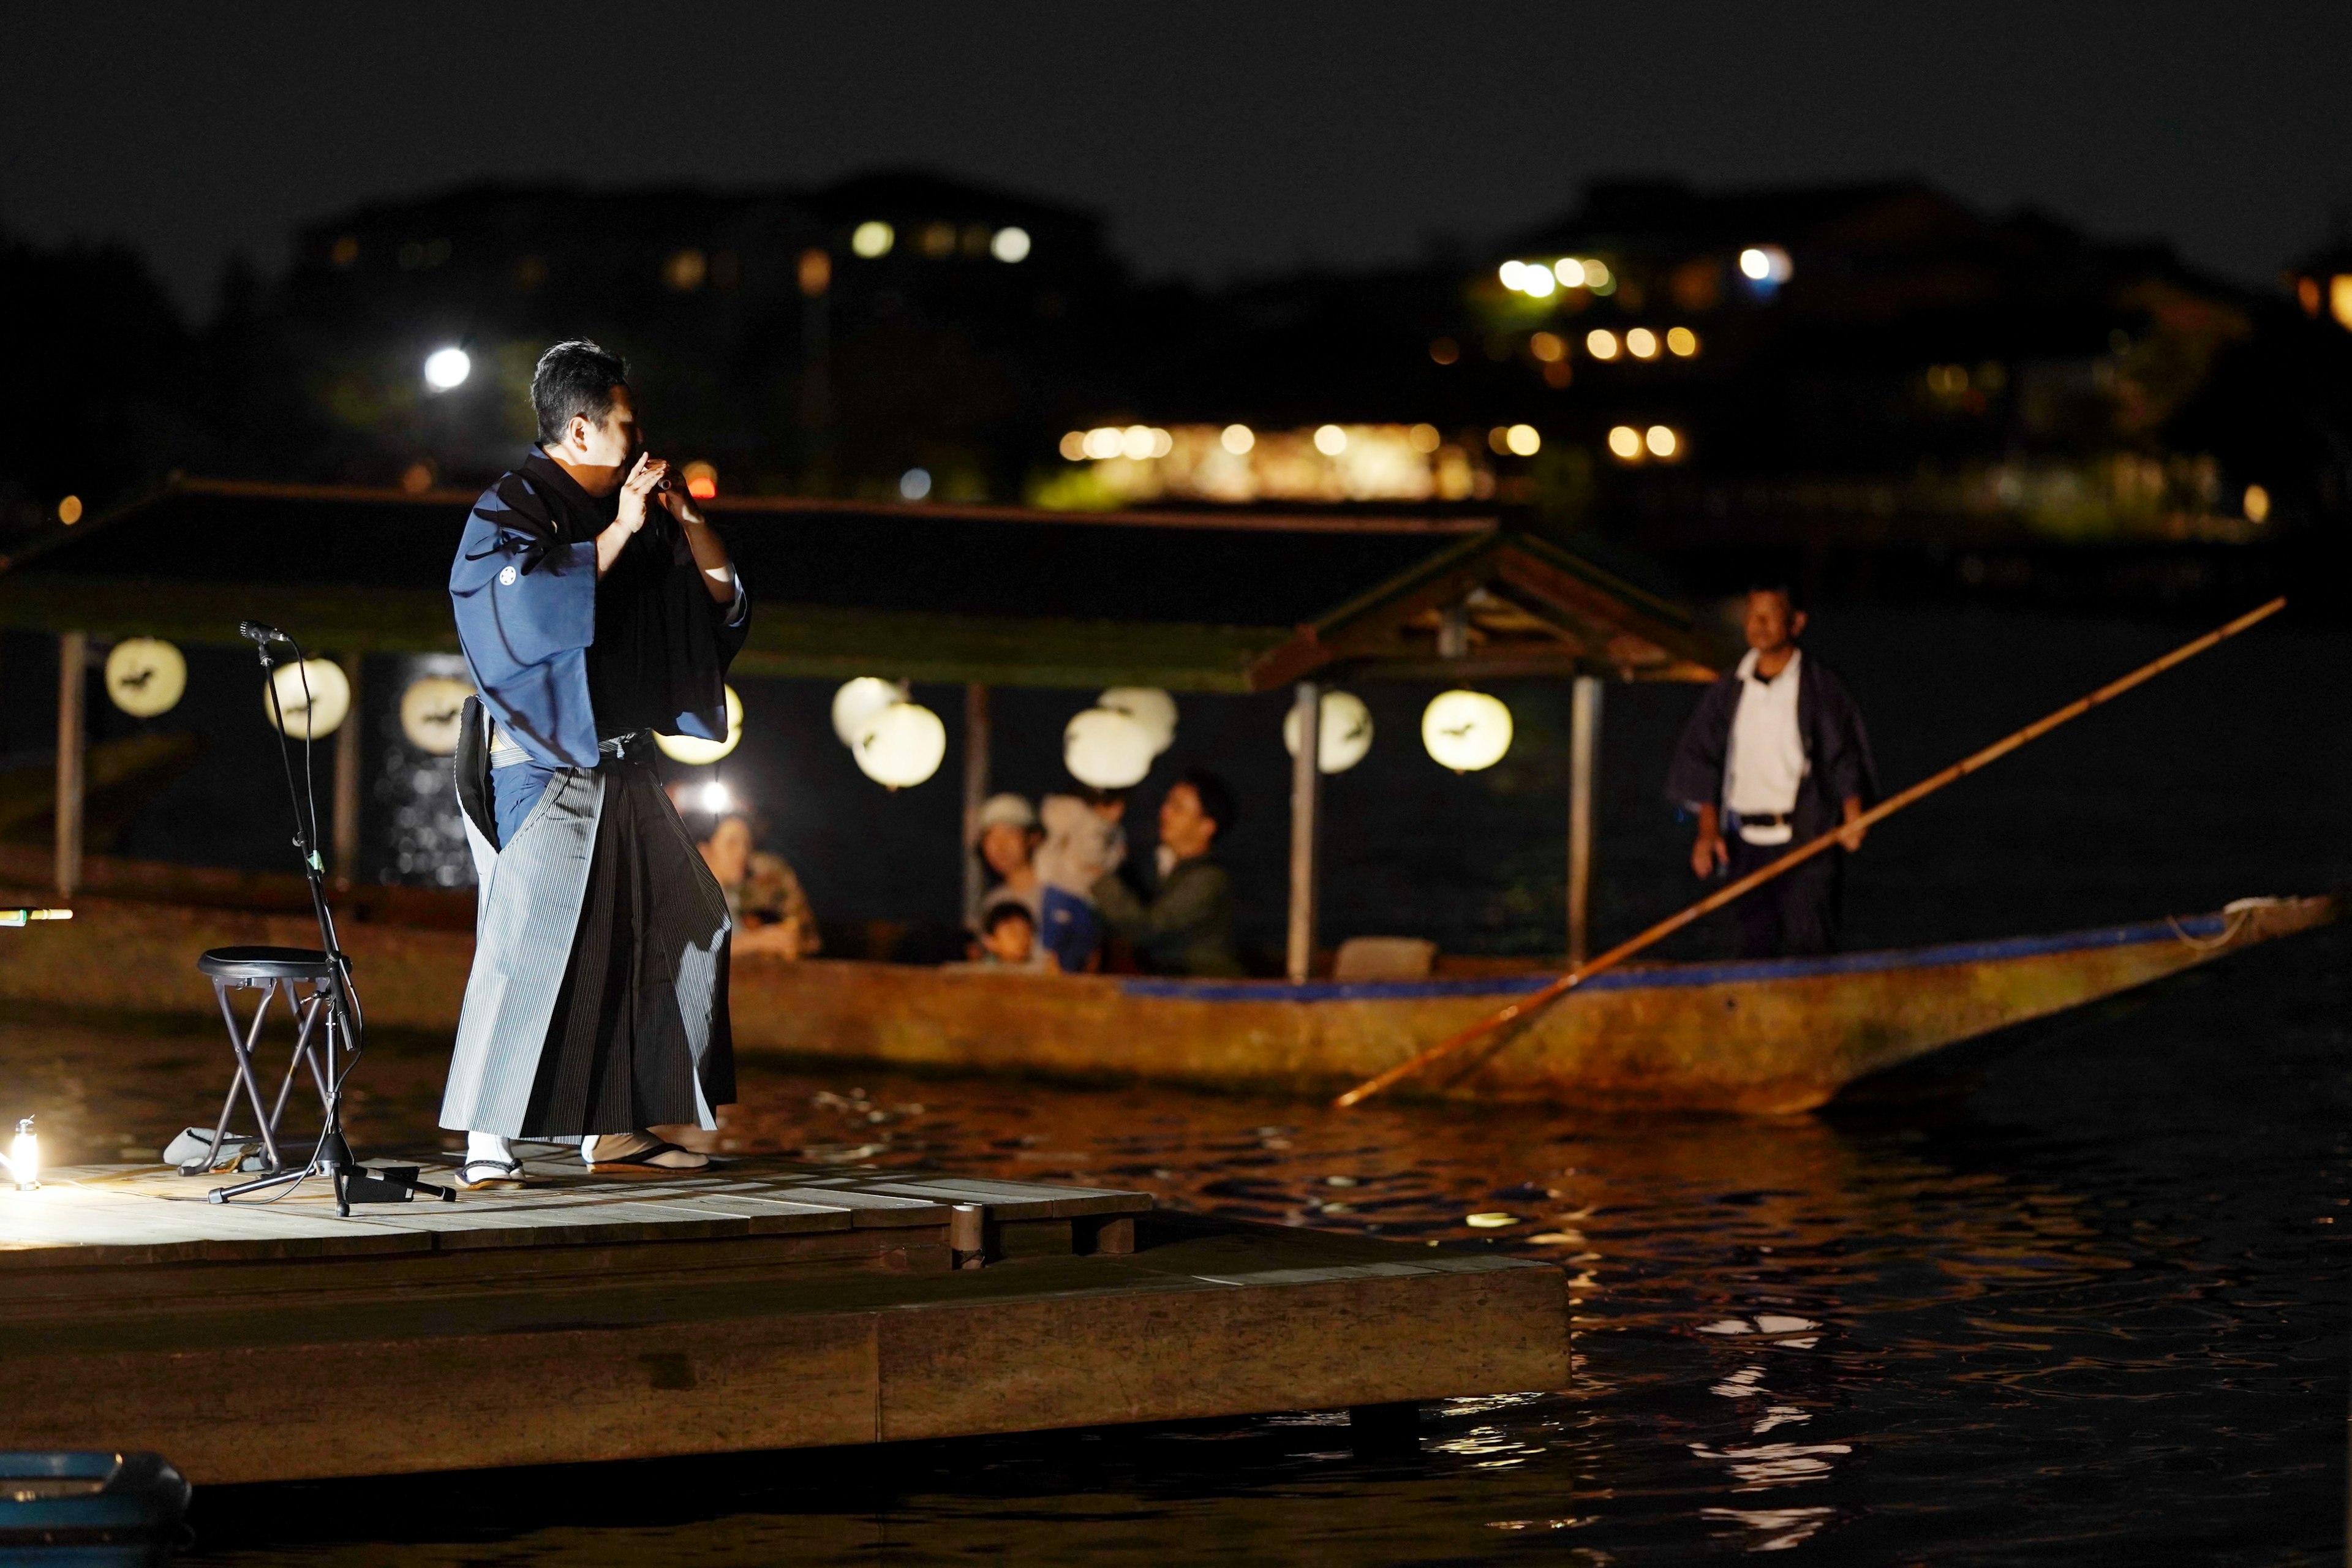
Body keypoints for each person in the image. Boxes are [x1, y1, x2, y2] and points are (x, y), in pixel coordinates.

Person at [440, 340, 750, 1189]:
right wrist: (615, 533)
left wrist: (683, 518)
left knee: (688, 920)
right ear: (580, 428)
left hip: (624, 763)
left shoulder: (635, 506)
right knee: (530, 942)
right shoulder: (509, 507)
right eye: (626, 420)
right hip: (541, 760)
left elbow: (717, 599)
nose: (641, 433)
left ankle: (612, 1128)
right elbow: (524, 612)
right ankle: (487, 1139)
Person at [1665, 583, 1876, 958]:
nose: (1758, 625)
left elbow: (1843, 754)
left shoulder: (1820, 686)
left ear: (1796, 623)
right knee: (1745, 951)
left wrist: (1852, 812)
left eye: (1770, 615)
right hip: (1742, 846)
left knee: (1809, 949)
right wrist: (1708, 831)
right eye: (1752, 615)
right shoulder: (1730, 688)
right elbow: (1701, 760)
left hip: (1807, 842)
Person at [1091, 771, 1243, 978]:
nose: (1165, 812)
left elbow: (1148, 930)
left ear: (1206, 826)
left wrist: (1099, 880)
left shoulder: (1210, 879)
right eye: (1168, 804)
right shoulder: (1157, 866)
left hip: (1202, 995)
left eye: (1178, 808)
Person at [698, 812, 818, 959]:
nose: (742, 853)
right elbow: (692, 951)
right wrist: (761, 940)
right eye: (732, 843)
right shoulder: (691, 895)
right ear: (704, 851)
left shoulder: (733, 897)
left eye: (746, 844)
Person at [1033, 788, 1127, 972]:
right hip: (1062, 891)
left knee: (1085, 950)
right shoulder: (1077, 815)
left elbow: (1108, 862)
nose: (1119, 811)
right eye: (1114, 805)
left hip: (1087, 898)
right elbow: (1089, 854)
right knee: (1053, 951)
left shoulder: (1113, 831)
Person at [974, 793, 1043, 926]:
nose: (1000, 846)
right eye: (991, 836)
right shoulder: (994, 903)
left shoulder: (1059, 896)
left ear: (1033, 838)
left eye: (1010, 833)